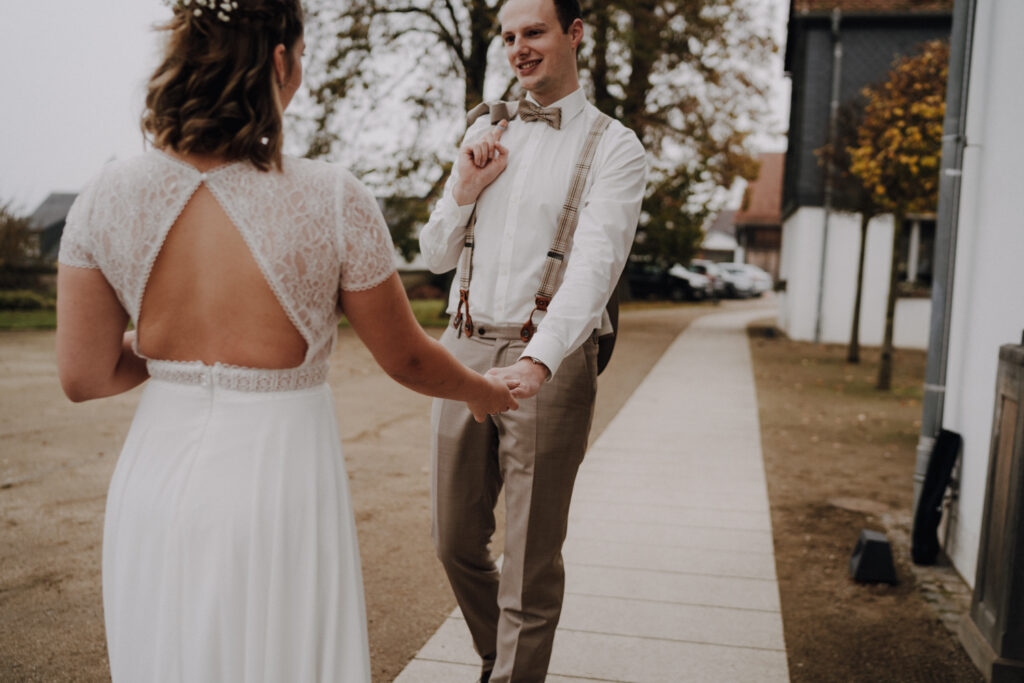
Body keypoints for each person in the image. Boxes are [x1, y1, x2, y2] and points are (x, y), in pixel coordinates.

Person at [55, 1, 517, 680]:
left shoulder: (105, 196)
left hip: (153, 483)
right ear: (279, 60)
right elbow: (407, 355)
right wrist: (482, 390)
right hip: (277, 481)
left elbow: (84, 374)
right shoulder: (331, 197)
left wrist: (169, 351)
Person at [418, 0, 648, 679]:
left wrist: (541, 359)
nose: (519, 48)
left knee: (529, 559)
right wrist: (465, 184)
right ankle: (501, 654)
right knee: (453, 538)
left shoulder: (616, 146)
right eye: (509, 36)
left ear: (575, 34)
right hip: (460, 346)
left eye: (535, 32)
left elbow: (595, 268)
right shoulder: (484, 130)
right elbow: (433, 253)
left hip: (548, 357)